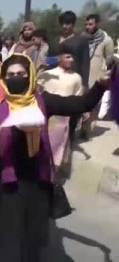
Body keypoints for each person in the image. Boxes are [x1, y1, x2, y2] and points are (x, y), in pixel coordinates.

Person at [0, 53, 110, 262]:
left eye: (21, 73)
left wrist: (100, 86)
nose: (16, 77)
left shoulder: (43, 101)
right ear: (3, 78)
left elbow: (81, 104)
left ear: (30, 75)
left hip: (35, 179)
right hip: (7, 180)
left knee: (32, 235)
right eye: (11, 74)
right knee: (7, 235)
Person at [38, 44, 84, 179]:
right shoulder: (46, 75)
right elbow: (37, 93)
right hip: (48, 119)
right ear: (58, 58)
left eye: (72, 58)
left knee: (60, 152)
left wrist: (80, 117)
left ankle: (53, 179)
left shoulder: (76, 78)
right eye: (67, 57)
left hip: (65, 120)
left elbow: (78, 99)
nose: (71, 60)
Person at [83, 14, 115, 131]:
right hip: (82, 75)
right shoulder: (82, 39)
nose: (87, 27)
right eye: (86, 24)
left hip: (96, 76)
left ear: (97, 24)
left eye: (90, 24)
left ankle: (88, 130)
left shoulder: (106, 40)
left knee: (93, 104)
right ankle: (81, 128)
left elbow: (109, 60)